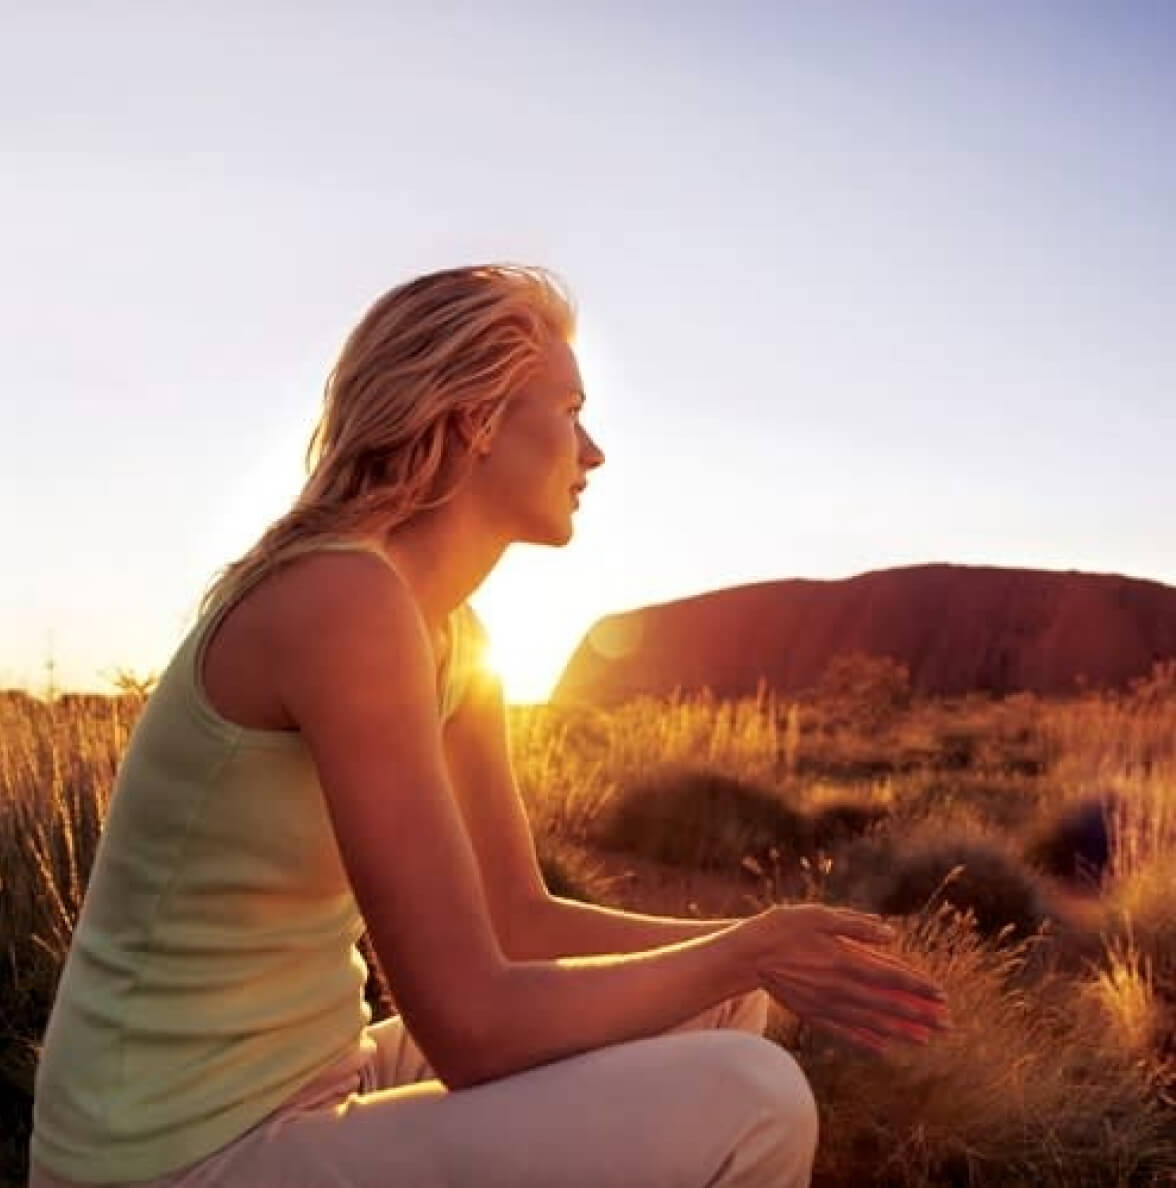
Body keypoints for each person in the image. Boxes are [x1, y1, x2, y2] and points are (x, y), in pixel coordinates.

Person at [28, 264, 950, 1188]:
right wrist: (748, 945)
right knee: (755, 1095)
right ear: (474, 419)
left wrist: (755, 949)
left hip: (312, 1080)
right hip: (172, 1156)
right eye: (571, 409)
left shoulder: (454, 634)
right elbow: (469, 1028)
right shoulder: (341, 601)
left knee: (722, 1007)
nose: (593, 453)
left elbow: (517, 918)